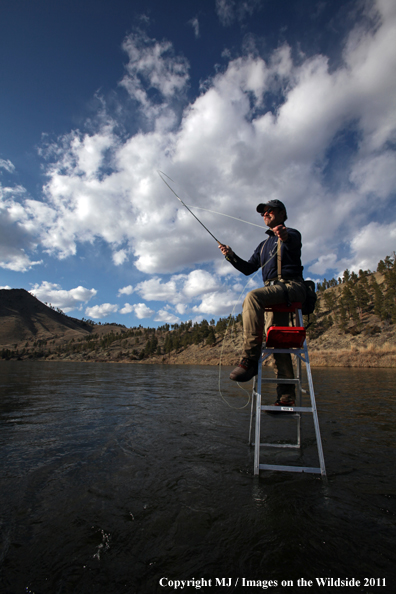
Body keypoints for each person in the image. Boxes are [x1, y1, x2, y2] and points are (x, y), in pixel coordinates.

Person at [219, 199, 306, 407]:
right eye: (263, 213)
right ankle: (286, 397)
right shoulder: (263, 245)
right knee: (278, 342)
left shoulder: (292, 233)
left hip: (292, 288)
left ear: (282, 213)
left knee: (252, 296)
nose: (265, 214)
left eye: (270, 211)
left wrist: (283, 235)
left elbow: (291, 241)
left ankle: (249, 359)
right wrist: (231, 256)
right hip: (273, 294)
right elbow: (248, 268)